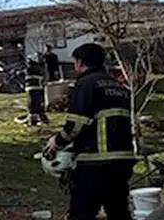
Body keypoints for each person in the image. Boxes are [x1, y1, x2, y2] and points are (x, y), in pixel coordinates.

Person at [43, 42, 135, 220]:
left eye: (75, 62)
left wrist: (57, 141)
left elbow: (76, 124)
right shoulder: (119, 87)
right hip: (123, 159)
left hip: (96, 160)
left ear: (80, 62)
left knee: (82, 213)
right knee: (118, 212)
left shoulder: (86, 84)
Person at [24, 57, 49, 125]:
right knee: (39, 103)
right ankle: (42, 118)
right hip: (38, 87)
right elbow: (45, 77)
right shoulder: (40, 68)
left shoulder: (28, 69)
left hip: (30, 88)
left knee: (31, 104)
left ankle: (33, 120)